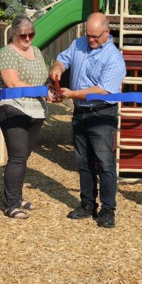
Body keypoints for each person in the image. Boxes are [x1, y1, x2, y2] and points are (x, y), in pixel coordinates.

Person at [49, 12, 127, 228]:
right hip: (80, 112)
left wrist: (71, 94)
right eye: (88, 35)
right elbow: (63, 60)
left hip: (102, 113)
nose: (90, 40)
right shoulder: (79, 43)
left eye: (95, 36)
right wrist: (57, 69)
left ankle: (108, 210)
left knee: (105, 163)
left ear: (107, 33)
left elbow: (103, 90)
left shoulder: (113, 57)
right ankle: (87, 205)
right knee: (83, 161)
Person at [0, 16, 52, 219]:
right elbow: (12, 82)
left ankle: (16, 198)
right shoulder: (7, 53)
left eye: (31, 34)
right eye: (23, 35)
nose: (28, 38)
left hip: (36, 109)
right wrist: (41, 90)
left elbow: (43, 77)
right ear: (14, 34)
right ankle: (11, 205)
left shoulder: (35, 51)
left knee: (23, 156)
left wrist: (49, 90)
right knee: (18, 157)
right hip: (13, 108)